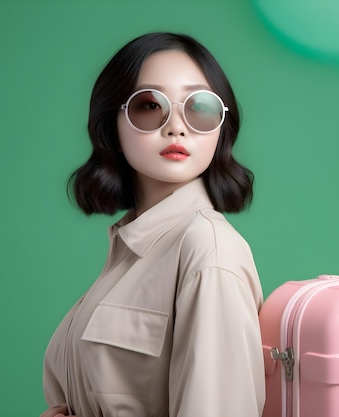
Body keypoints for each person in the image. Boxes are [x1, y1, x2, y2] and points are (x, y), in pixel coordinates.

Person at [40, 32, 265, 417]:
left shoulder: (207, 251)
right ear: (113, 122)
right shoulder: (131, 250)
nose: (177, 127)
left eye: (200, 107)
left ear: (221, 126)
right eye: (149, 105)